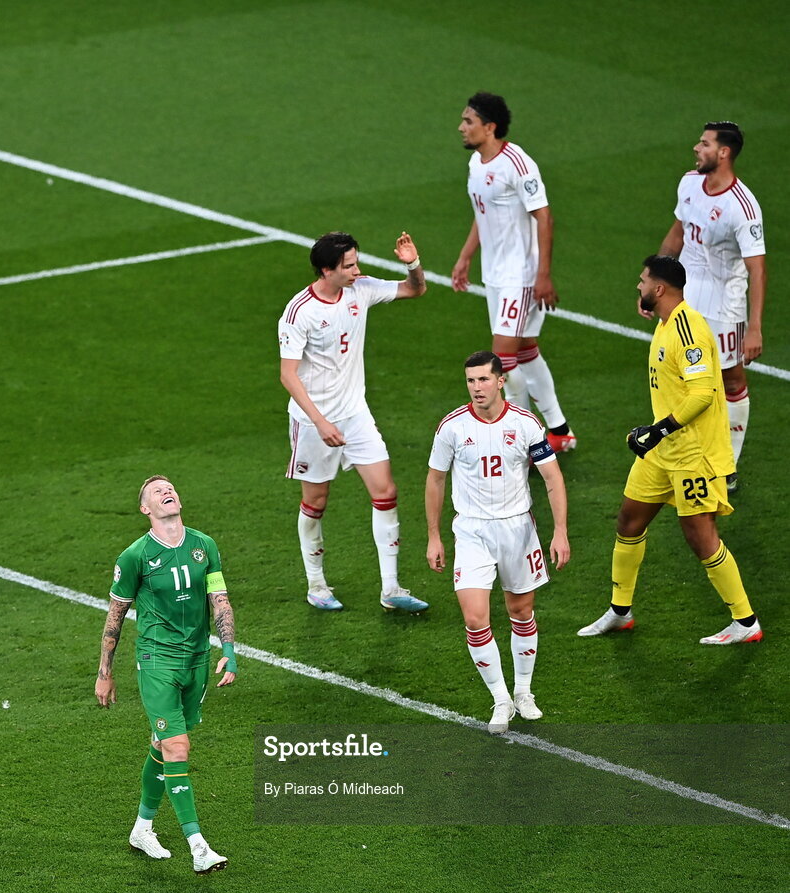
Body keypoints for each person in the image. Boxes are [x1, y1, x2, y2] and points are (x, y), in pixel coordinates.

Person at [579, 256, 762, 645]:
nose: (638, 286)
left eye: (643, 281)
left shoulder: (687, 330)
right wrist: (656, 434)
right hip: (663, 451)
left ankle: (745, 622)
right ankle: (619, 611)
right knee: (629, 521)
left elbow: (701, 394)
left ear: (659, 289)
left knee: (700, 536)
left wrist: (658, 429)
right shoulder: (664, 325)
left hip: (693, 453)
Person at [279, 230, 429, 612]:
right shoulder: (300, 311)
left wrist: (412, 263)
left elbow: (416, 291)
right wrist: (321, 422)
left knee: (386, 491)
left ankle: (392, 589)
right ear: (327, 269)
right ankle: (316, 584)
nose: (357, 270)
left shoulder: (360, 289)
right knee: (316, 501)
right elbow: (288, 376)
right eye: (349, 265)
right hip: (314, 422)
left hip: (356, 415)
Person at [95, 476, 236, 874]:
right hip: (157, 661)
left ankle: (142, 828)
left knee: (161, 744)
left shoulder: (203, 546)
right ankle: (199, 846)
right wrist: (104, 671)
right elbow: (115, 616)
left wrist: (228, 651)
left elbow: (219, 600)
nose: (166, 492)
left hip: (197, 661)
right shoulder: (134, 556)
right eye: (156, 492)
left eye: (170, 487)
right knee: (177, 746)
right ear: (146, 509)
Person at [425, 351, 569, 735]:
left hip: (518, 529)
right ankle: (501, 698)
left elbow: (552, 478)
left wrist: (560, 532)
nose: (476, 388)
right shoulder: (452, 427)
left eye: (483, 380)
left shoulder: (525, 424)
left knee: (521, 612)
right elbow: (435, 480)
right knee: (475, 619)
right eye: (470, 381)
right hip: (471, 531)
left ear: (500, 381)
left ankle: (524, 692)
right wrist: (435, 536)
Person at [451, 92, 576, 454]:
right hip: (496, 274)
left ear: (490, 127)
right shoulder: (477, 163)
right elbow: (482, 213)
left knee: (500, 360)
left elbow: (544, 216)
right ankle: (559, 430)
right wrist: (465, 257)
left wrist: (543, 275)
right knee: (525, 351)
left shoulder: (517, 163)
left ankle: (523, 437)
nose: (461, 127)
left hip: (520, 275)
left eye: (468, 121)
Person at [654, 121, 766, 492]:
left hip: (724, 301)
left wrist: (754, 327)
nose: (695, 149)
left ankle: (728, 464)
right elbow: (677, 233)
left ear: (724, 153)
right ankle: (689, 451)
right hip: (685, 294)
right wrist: (654, 282)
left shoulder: (743, 207)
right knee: (683, 373)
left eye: (703, 144)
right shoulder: (689, 183)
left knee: (729, 377)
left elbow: (757, 268)